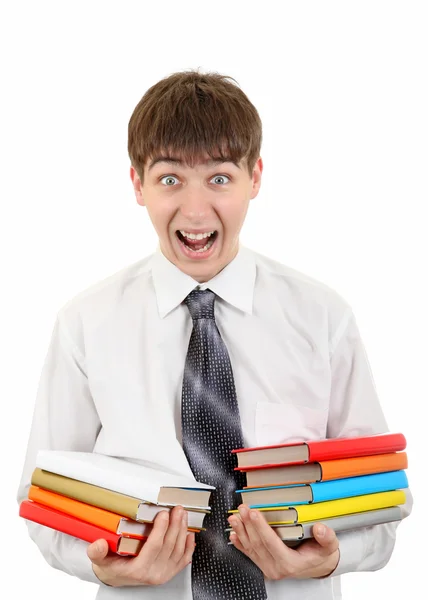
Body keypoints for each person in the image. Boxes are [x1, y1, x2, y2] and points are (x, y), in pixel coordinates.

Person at [17, 69, 412, 600]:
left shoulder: (322, 315)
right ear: (137, 184)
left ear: (256, 176)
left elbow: (384, 496)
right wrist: (105, 569)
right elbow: (41, 496)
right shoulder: (85, 323)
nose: (196, 210)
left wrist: (333, 556)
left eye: (220, 178)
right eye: (170, 179)